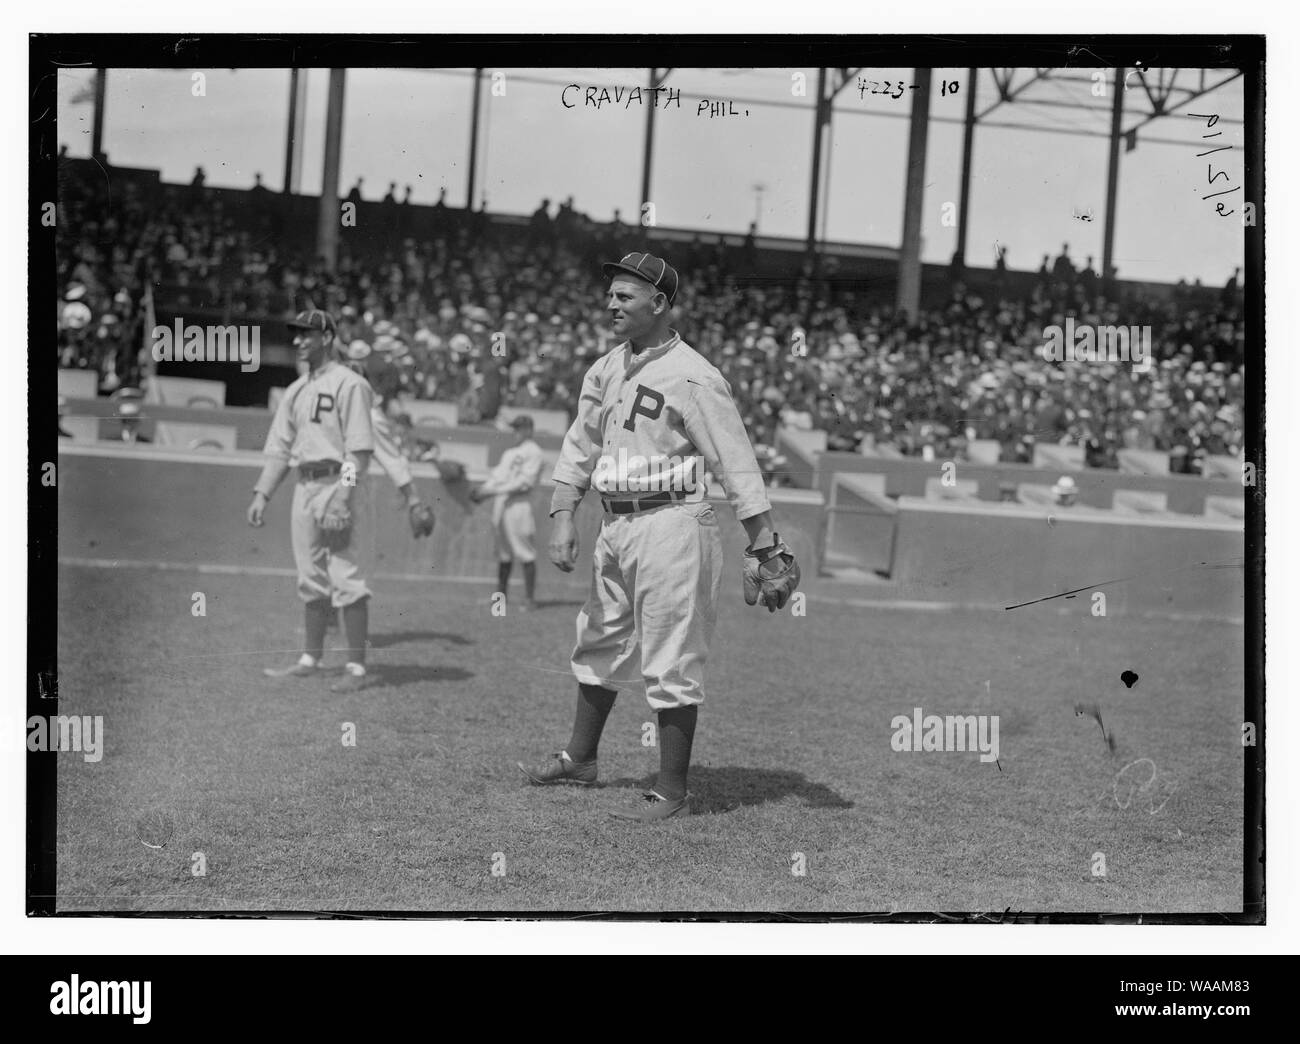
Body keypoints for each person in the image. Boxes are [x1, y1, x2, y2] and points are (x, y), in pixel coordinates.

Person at [518, 252, 801, 822]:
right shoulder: (604, 368)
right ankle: (580, 757)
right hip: (615, 521)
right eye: (612, 294)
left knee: (671, 657)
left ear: (661, 304)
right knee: (597, 638)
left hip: (673, 521)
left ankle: (672, 791)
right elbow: (580, 445)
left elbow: (735, 461)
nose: (612, 304)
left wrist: (765, 543)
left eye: (626, 296)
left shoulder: (695, 375)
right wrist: (564, 513)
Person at [246, 309, 378, 693]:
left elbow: (360, 453)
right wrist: (262, 492)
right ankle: (310, 658)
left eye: (307, 334)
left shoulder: (350, 383)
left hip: (339, 482)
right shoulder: (296, 389)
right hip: (305, 485)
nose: (298, 341)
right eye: (295, 334)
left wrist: (343, 497)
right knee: (311, 577)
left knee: (347, 575)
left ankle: (355, 667)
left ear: (327, 337)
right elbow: (280, 449)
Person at [470, 415, 544, 610]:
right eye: (515, 428)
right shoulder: (510, 452)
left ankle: (530, 600)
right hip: (502, 503)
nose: (516, 432)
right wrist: (482, 490)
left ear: (529, 429)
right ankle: (500, 599)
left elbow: (524, 483)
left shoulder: (535, 452)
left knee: (525, 551)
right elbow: (497, 477)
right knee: (504, 553)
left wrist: (491, 491)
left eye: (520, 428)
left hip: (519, 503)